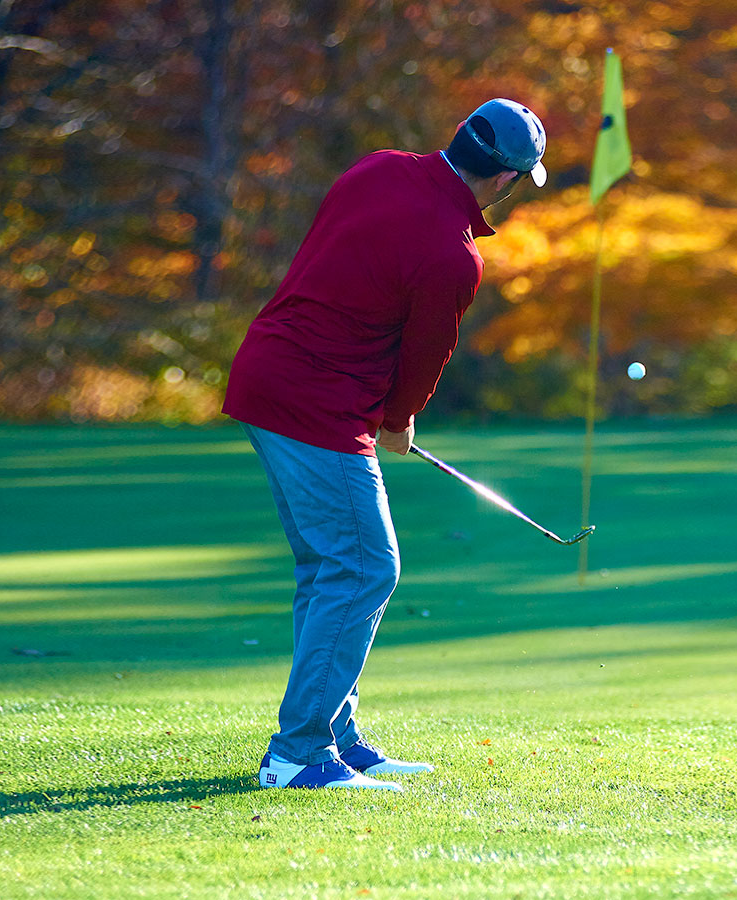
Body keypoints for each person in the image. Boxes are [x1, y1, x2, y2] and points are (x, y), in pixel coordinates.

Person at [223, 99, 548, 791]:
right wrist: (399, 419)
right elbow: (426, 354)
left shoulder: (375, 169)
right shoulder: (453, 255)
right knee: (367, 567)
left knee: (330, 569)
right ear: (504, 181)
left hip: (267, 374)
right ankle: (299, 754)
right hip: (316, 401)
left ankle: (334, 737)